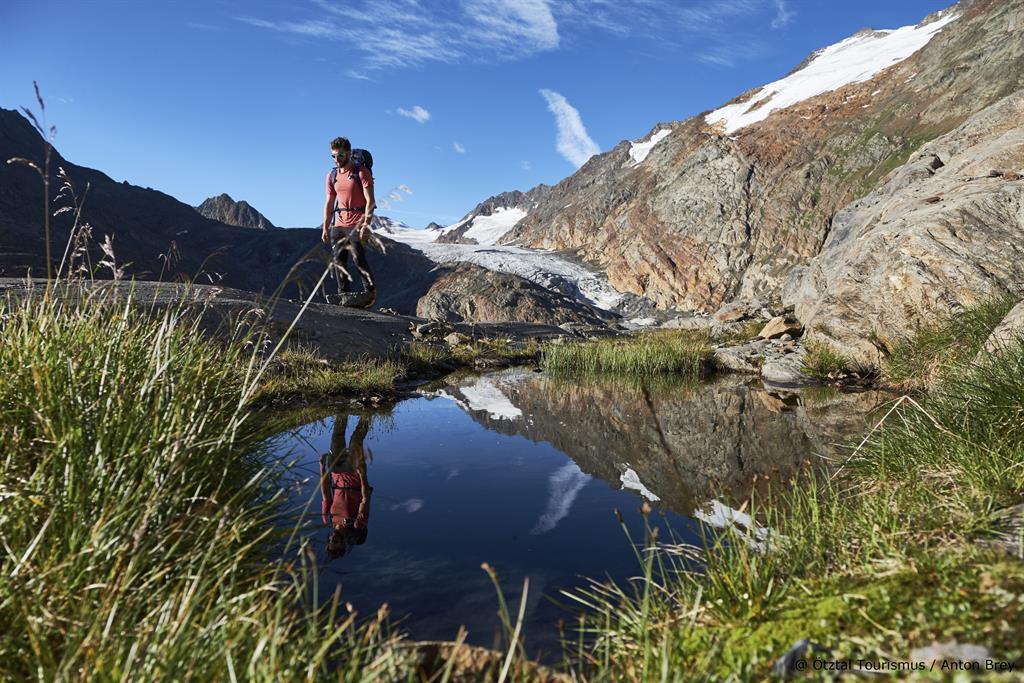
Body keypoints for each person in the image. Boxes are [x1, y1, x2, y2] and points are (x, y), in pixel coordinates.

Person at [322, 136, 376, 306]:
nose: (337, 159)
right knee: (338, 260)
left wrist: (366, 225)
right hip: (338, 224)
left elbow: (370, 201)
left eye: (340, 155)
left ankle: (370, 292)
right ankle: (343, 294)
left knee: (358, 259)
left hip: (357, 223)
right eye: (334, 156)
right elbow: (329, 202)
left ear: (349, 153)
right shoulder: (332, 175)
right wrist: (325, 227)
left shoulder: (361, 172)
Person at [320, 413, 373, 559]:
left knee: (336, 436)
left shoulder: (327, 519)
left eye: (330, 541)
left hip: (335, 471)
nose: (332, 538)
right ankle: (368, 411)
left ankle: (342, 408)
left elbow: (325, 492)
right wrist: (362, 475)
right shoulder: (357, 525)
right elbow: (365, 499)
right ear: (344, 544)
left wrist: (322, 468)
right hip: (354, 474)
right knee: (356, 440)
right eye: (335, 542)